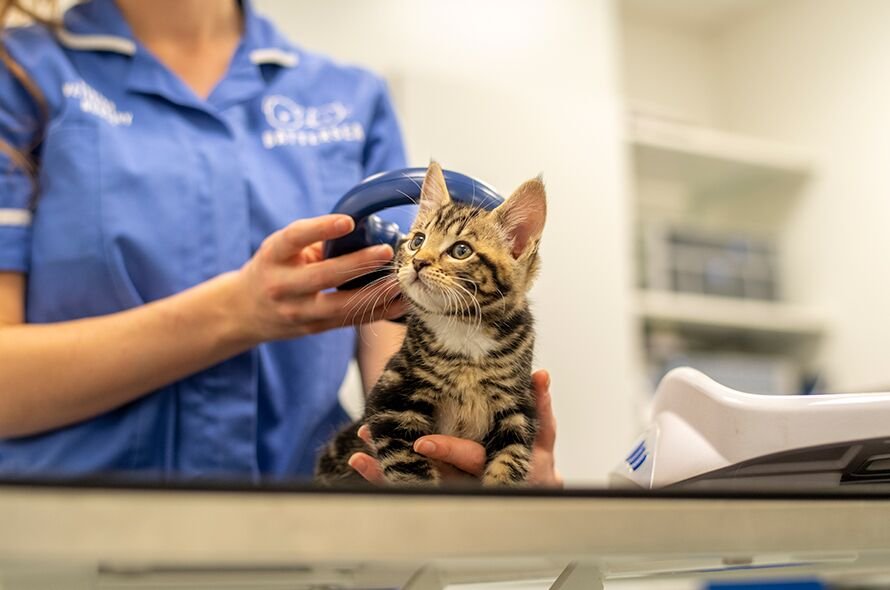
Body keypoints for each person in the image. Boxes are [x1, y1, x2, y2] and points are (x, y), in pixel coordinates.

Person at [0, 0, 561, 486]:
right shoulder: (19, 74)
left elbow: (398, 341)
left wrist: (471, 457)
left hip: (319, 532)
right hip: (74, 534)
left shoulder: (350, 101)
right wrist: (236, 314)